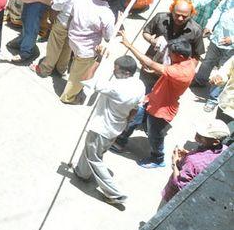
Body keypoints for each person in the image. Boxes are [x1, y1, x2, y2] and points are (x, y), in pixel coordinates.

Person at [114, 38, 198, 168]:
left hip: (161, 109)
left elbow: (149, 62)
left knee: (155, 135)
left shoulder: (180, 72)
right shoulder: (189, 62)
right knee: (134, 119)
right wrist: (159, 72)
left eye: (170, 53)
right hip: (153, 100)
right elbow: (167, 70)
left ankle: (157, 158)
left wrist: (128, 44)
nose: (168, 55)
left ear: (180, 56)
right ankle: (120, 141)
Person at [73, 56, 144, 206]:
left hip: (102, 129)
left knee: (94, 157)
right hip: (117, 127)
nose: (113, 70)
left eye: (116, 68)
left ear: (125, 72)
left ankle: (115, 194)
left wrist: (97, 60)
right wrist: (127, 121)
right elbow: (135, 109)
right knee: (92, 151)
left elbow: (84, 79)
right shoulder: (139, 85)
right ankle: (82, 172)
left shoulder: (115, 88)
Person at [59, 0, 117, 104]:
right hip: (86, 49)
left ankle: (61, 69)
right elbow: (108, 36)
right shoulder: (107, 15)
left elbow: (72, 14)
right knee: (77, 76)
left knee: (72, 60)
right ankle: (68, 97)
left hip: (72, 38)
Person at [160, 120, 229, 204]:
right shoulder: (225, 149)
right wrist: (188, 155)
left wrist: (174, 163)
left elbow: (178, 184)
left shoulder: (193, 161)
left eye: (201, 136)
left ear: (215, 142)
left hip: (175, 197)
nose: (196, 136)